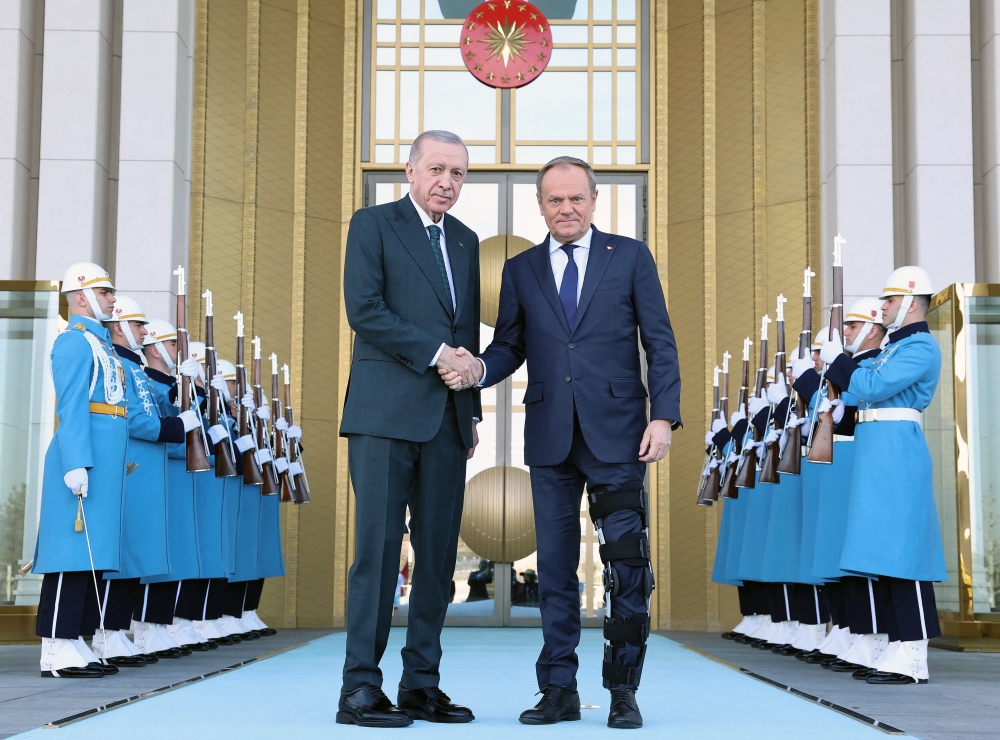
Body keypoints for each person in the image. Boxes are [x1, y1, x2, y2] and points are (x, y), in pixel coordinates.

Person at [442, 156, 681, 729]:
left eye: (576, 198)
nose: (566, 209)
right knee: (553, 569)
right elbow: (508, 346)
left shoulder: (628, 257)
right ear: (541, 206)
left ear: (594, 200)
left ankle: (623, 690)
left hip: (621, 437)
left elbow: (661, 342)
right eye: (554, 200)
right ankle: (558, 690)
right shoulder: (522, 270)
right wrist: (477, 370)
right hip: (550, 437)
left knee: (626, 566)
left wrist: (663, 418)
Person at [339, 130, 482, 728]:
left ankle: (421, 683)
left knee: (438, 559)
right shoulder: (372, 224)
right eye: (437, 169)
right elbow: (365, 311)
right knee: (376, 552)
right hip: (383, 414)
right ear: (411, 170)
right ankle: (359, 690)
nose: (447, 181)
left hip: (447, 421)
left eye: (457, 173)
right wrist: (440, 354)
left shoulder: (467, 241)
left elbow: (466, 325)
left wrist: (470, 395)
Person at [820, 266, 946, 684]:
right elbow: (859, 390)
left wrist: (841, 360)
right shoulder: (895, 347)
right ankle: (891, 641)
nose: (884, 307)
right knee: (879, 551)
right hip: (878, 445)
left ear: (910, 302)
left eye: (889, 301)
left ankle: (913, 652)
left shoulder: (921, 347)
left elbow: (871, 387)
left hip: (895, 445)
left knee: (902, 551)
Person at [95, 297, 199, 667]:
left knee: (145, 554)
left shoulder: (134, 366)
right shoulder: (122, 364)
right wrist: (176, 425)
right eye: (138, 325)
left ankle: (131, 628)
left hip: (148, 470)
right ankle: (110, 631)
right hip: (133, 468)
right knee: (126, 555)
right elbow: (136, 420)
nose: (144, 330)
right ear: (120, 326)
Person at [34, 263, 127, 678]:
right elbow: (70, 406)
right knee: (71, 555)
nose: (111, 298)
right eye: (105, 292)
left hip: (103, 459)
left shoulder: (101, 344)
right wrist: (75, 462)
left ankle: (77, 638)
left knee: (94, 554)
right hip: (82, 457)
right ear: (81, 296)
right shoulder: (73, 343)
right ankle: (55, 646)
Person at [132, 319, 201, 658]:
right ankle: (144, 625)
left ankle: (157, 623)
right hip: (160, 471)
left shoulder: (168, 386)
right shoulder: (147, 383)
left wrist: (194, 391)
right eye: (174, 345)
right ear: (156, 348)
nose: (178, 351)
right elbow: (161, 428)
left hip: (175, 475)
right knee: (154, 552)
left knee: (172, 552)